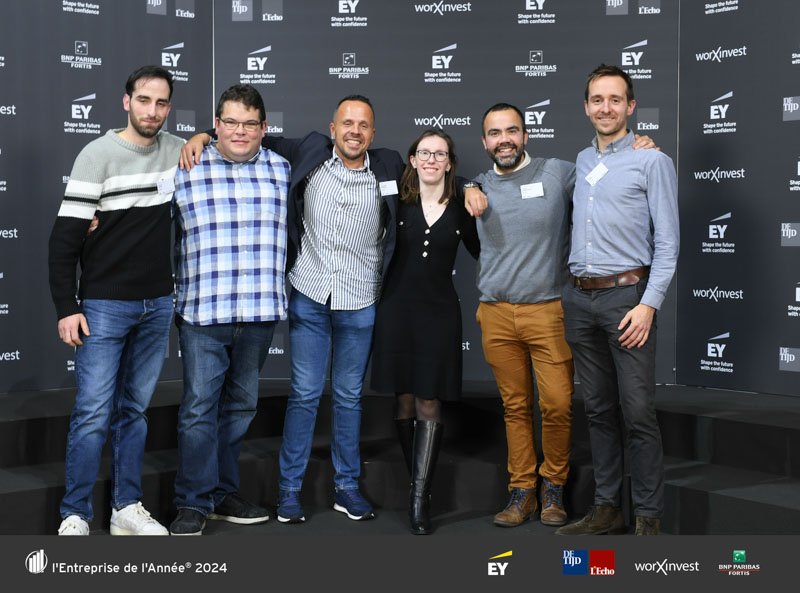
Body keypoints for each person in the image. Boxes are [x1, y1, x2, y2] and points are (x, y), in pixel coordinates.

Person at [180, 95, 406, 524]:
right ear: (333, 128)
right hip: (310, 296)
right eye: (347, 123)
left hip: (361, 301)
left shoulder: (390, 165)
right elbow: (246, 133)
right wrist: (203, 136)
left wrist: (468, 186)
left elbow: (435, 173)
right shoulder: (309, 152)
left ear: (373, 133)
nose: (355, 131)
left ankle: (347, 488)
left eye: (363, 125)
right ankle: (289, 491)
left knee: (348, 398)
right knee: (304, 395)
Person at [464, 104, 656, 530]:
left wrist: (638, 147)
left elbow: (608, 170)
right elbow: (444, 178)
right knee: (515, 407)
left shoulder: (558, 172)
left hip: (549, 309)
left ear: (526, 135)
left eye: (512, 131)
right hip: (495, 312)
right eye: (495, 133)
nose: (504, 140)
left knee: (556, 405)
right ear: (485, 141)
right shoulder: (479, 184)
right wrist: (467, 185)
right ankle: (522, 492)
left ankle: (554, 487)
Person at [48, 65, 184, 536]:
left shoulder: (178, 150)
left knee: (135, 411)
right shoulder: (97, 155)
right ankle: (75, 512)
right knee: (92, 412)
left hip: (157, 304)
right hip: (104, 305)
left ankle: (126, 507)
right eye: (144, 100)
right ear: (127, 102)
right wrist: (67, 307)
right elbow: (64, 241)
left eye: (161, 103)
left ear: (169, 108)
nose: (152, 110)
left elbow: (221, 140)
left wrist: (202, 136)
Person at [555, 65, 678, 536]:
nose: (605, 108)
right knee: (598, 410)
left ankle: (648, 516)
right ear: (586, 107)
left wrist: (649, 304)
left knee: (638, 412)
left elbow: (668, 242)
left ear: (630, 106)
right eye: (597, 100)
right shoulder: (583, 160)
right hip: (579, 299)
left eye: (615, 99)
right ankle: (607, 508)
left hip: (628, 300)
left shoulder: (652, 161)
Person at [168, 85, 290, 536]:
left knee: (239, 408)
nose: (240, 131)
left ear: (264, 127)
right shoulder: (185, 167)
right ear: (216, 124)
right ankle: (192, 501)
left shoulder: (283, 169)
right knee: (199, 409)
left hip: (259, 312)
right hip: (203, 312)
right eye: (231, 122)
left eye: (250, 123)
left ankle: (221, 492)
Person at [370, 129, 479, 534]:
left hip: (439, 315)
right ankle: (414, 479)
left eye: (440, 154)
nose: (432, 159)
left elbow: (485, 252)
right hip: (396, 310)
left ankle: (420, 497)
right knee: (403, 399)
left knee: (428, 400)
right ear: (412, 160)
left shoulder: (464, 206)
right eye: (424, 153)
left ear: (450, 163)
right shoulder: (396, 201)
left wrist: (473, 185)